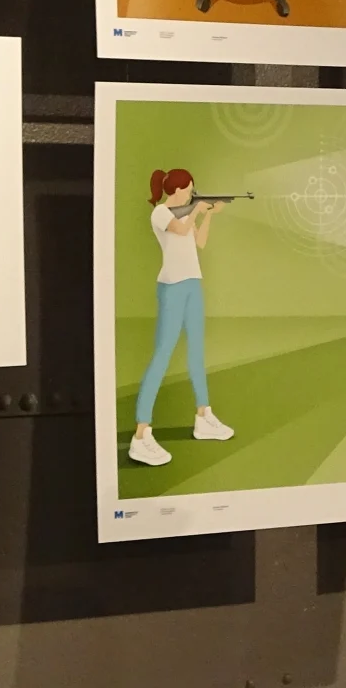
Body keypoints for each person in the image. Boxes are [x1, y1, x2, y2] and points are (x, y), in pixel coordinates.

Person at [129, 168, 235, 466]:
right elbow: (179, 230)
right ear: (178, 189)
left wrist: (209, 214)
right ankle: (141, 435)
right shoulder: (161, 213)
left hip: (192, 284)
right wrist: (197, 210)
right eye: (189, 190)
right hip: (173, 288)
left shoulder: (184, 214)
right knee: (162, 355)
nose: (191, 194)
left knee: (196, 352)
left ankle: (203, 416)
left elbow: (199, 242)